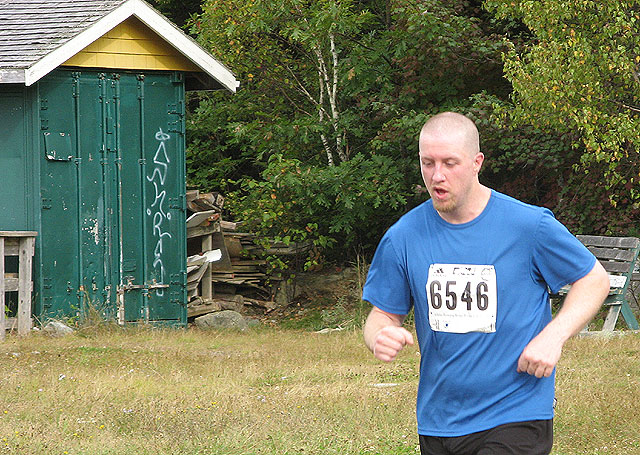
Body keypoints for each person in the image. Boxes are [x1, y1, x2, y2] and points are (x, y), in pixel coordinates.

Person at [362, 112, 610, 455]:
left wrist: (553, 336)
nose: (437, 175)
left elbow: (594, 279)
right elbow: (382, 315)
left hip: (516, 412)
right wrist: (378, 336)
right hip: (439, 419)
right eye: (427, 163)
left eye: (450, 163)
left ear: (477, 163)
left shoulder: (528, 225)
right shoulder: (403, 236)